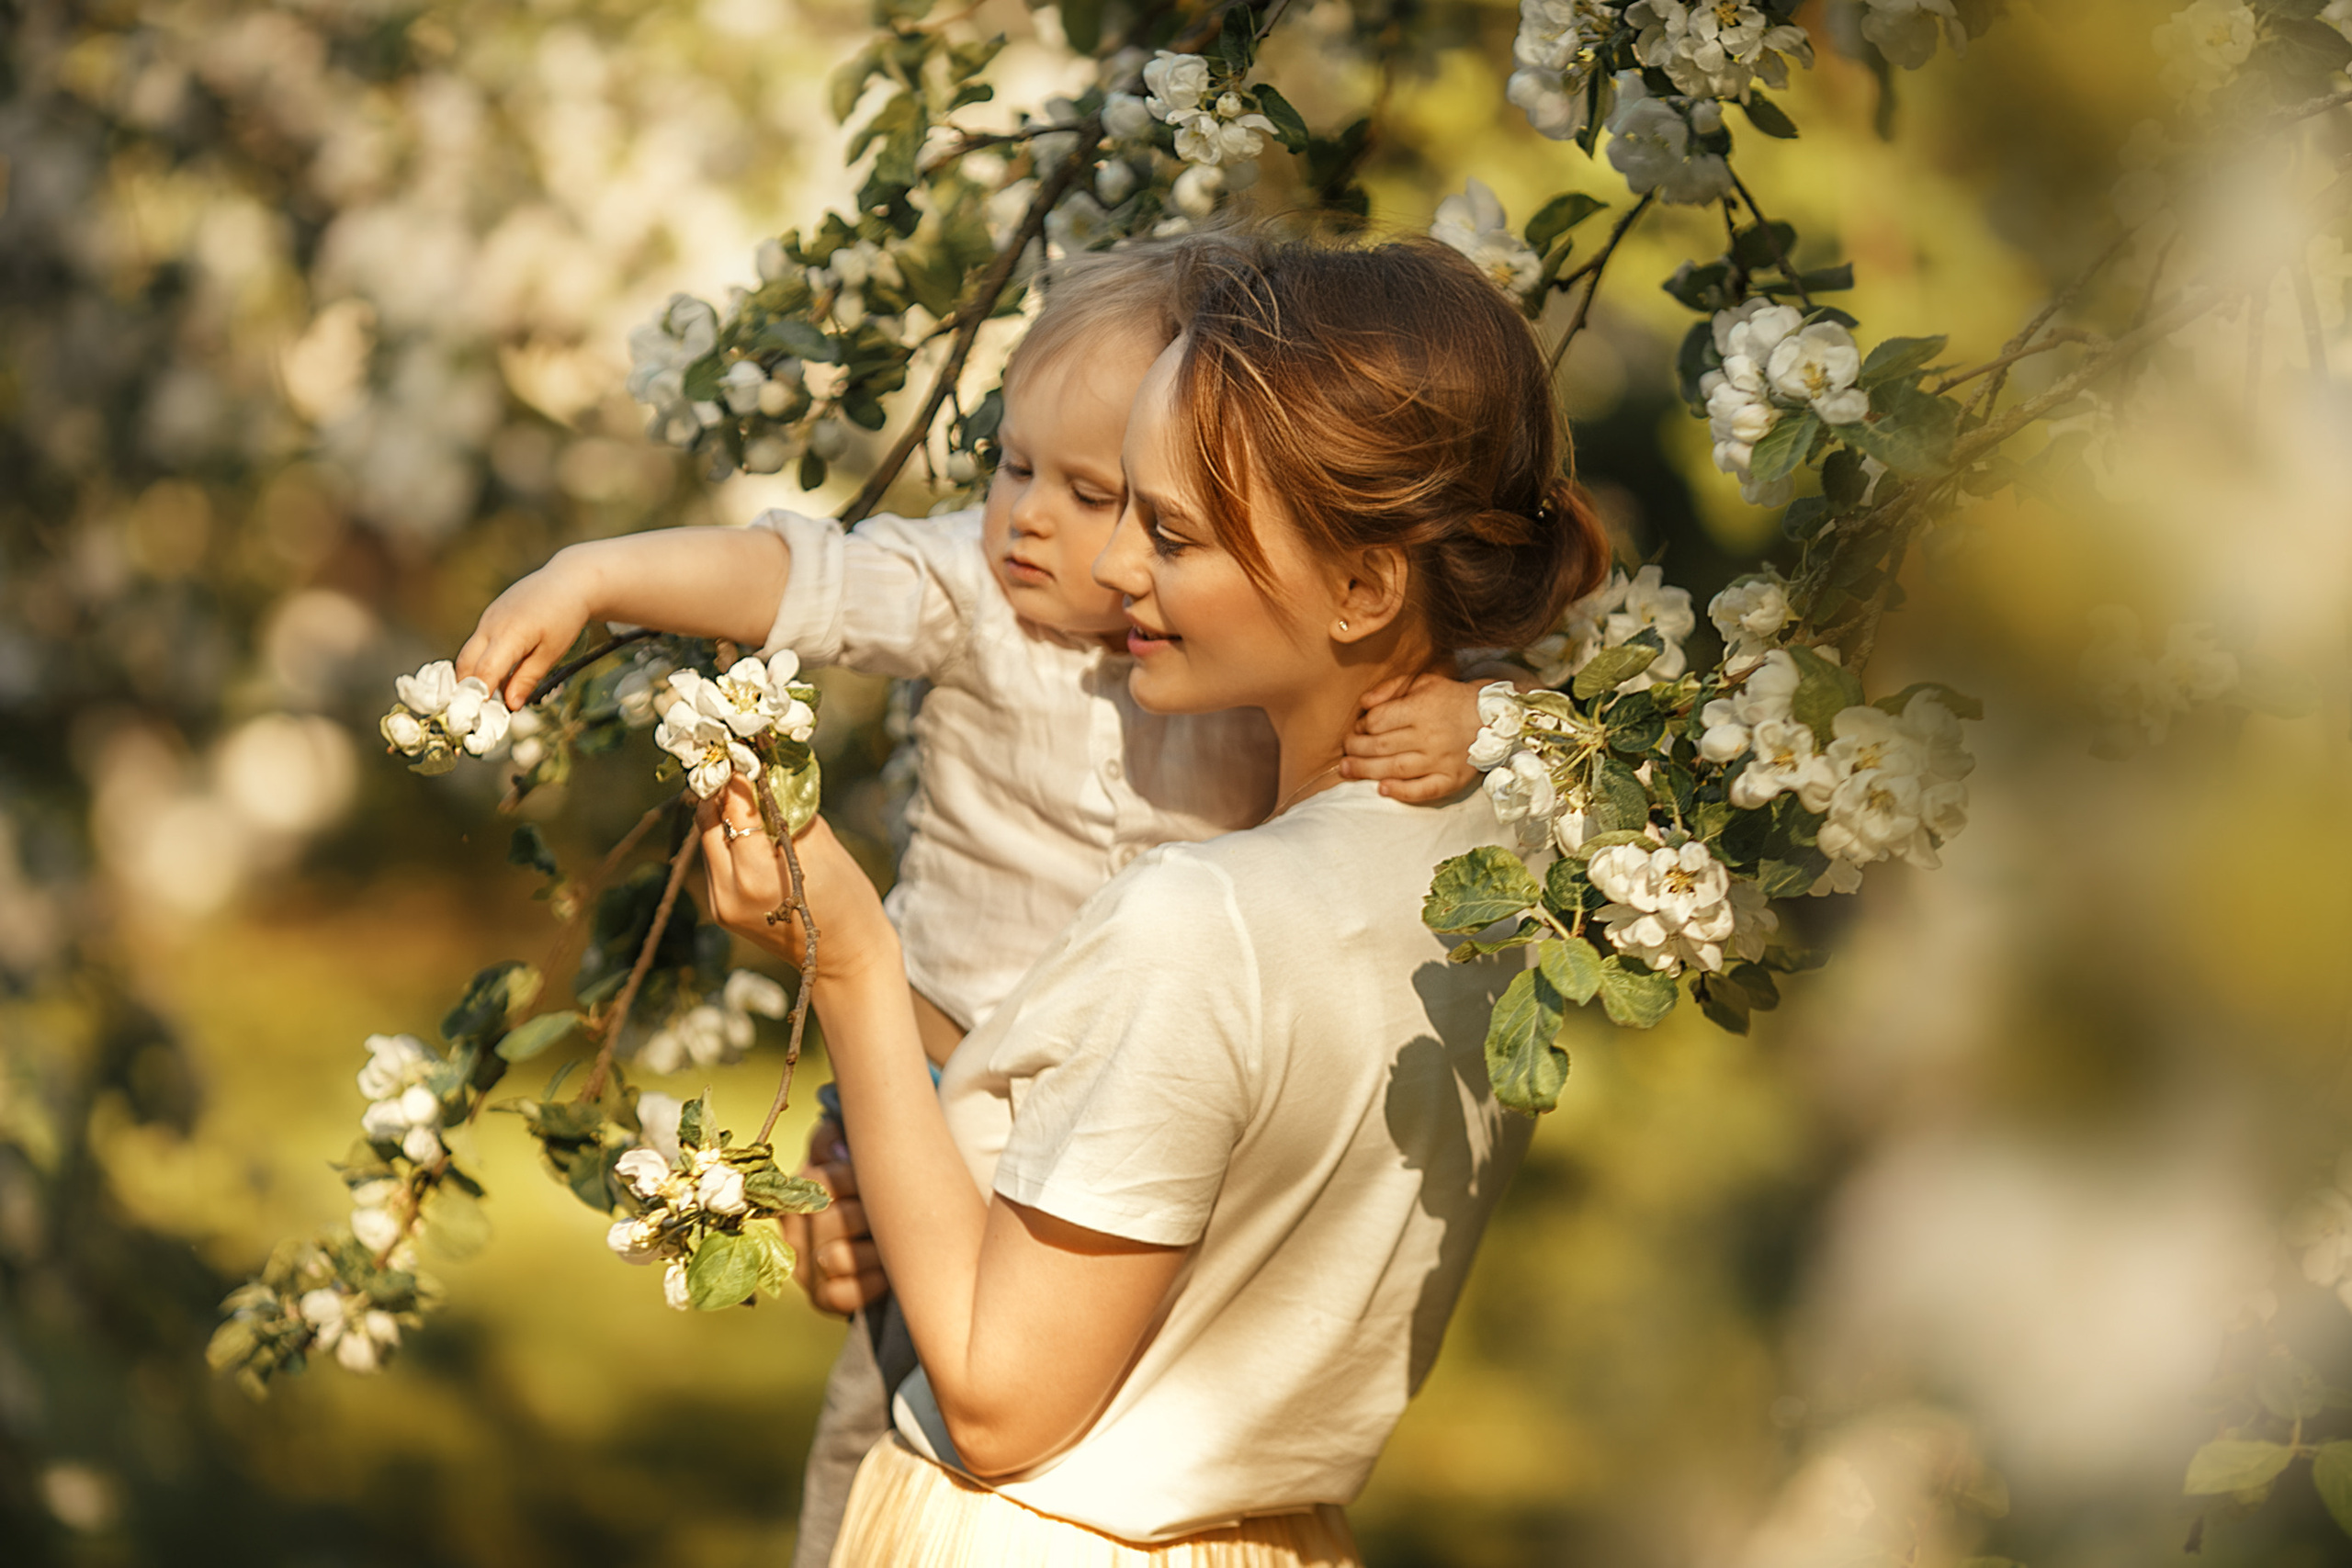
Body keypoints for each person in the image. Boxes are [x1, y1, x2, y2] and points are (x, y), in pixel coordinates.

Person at [450, 233, 1494, 1564]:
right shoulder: (980, 600)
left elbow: (1487, 628)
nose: (1032, 523)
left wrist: (1483, 717)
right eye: (1008, 468)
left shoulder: (1245, 671)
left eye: (1120, 501)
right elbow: (801, 576)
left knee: (940, 1390)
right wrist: (594, 573)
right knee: (872, 1421)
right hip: (939, 1092)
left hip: (1116, 1144)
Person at [695, 234, 1611, 1564]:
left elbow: (1000, 1399)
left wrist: (854, 968)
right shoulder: (1535, 829)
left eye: (1169, 531)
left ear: (1363, 584)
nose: (1117, 569)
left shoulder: (1203, 923)